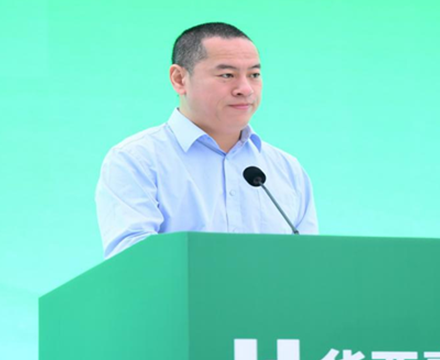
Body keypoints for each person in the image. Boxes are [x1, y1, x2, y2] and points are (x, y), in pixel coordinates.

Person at [95, 22, 318, 258]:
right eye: (227, 75)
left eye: (254, 75)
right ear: (179, 79)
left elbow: (310, 262)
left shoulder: (287, 169)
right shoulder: (136, 160)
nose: (245, 89)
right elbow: (134, 263)